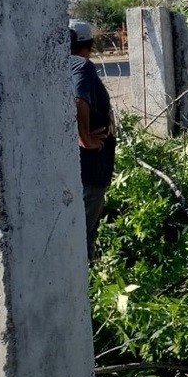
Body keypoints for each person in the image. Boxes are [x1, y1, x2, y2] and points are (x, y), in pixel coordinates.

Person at [69, 19, 116, 260]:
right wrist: (85, 138)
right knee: (85, 227)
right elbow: (79, 100)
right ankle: (87, 277)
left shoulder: (62, 64)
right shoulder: (81, 66)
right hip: (91, 162)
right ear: (89, 43)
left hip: (82, 162)